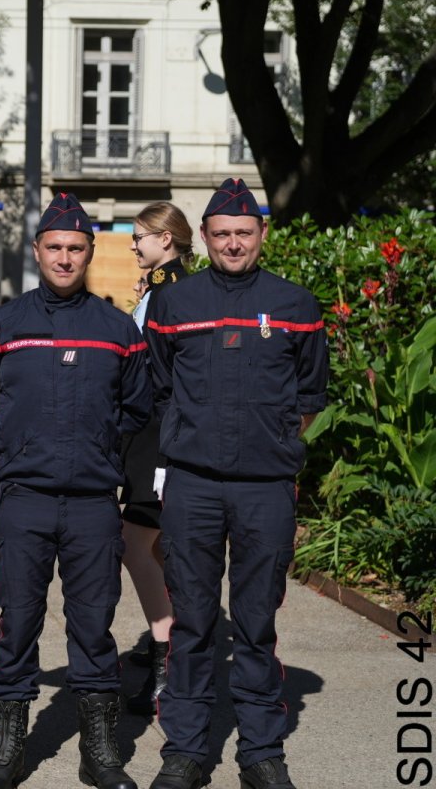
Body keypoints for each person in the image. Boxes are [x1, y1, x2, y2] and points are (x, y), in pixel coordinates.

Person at [144, 179, 328, 789]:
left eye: (243, 233)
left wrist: (269, 439)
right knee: (193, 624)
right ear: (204, 237)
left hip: (264, 488)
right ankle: (187, 751)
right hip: (193, 486)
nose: (232, 243)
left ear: (262, 236)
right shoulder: (175, 304)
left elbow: (308, 397)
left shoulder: (297, 306)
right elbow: (161, 387)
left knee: (256, 622)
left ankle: (261, 752)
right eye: (221, 234)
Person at [0, 193, 150, 789]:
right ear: (37, 250)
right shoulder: (1, 325)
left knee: (93, 625)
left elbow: (138, 408)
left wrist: (95, 446)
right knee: (18, 621)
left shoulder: (118, 329)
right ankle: (8, 744)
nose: (65, 258)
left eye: (75, 248)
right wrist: (15, 434)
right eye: (54, 248)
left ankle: (99, 748)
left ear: (90, 252)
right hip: (24, 499)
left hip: (94, 503)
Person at [119, 202, 191, 716]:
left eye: (140, 236)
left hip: (157, 435)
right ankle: (170, 638)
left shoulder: (171, 293)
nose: (132, 244)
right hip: (151, 434)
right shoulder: (163, 288)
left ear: (166, 239)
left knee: (134, 543)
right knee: (159, 546)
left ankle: (169, 659)